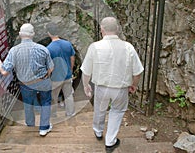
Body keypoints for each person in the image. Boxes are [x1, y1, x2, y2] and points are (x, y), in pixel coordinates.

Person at [80, 17, 144, 152]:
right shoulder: (128, 47)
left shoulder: (95, 47)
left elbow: (86, 71)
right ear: (118, 30)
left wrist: (86, 85)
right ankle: (110, 141)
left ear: (102, 30)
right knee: (117, 112)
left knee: (99, 109)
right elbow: (137, 72)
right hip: (121, 89)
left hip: (101, 87)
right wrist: (134, 85)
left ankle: (98, 131)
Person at [0, 23, 54, 137]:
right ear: (33, 34)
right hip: (43, 81)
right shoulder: (43, 49)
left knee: (28, 104)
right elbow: (51, 67)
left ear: (19, 34)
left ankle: (30, 126)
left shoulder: (14, 51)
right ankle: (44, 128)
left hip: (26, 84)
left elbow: (4, 71)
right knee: (46, 102)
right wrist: (45, 77)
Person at [46, 22, 76, 117]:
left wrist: (47, 75)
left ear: (49, 33)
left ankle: (53, 114)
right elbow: (72, 58)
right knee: (68, 95)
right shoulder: (67, 44)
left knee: (53, 97)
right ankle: (70, 113)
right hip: (67, 75)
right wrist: (70, 70)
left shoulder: (49, 49)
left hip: (56, 77)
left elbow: (50, 66)